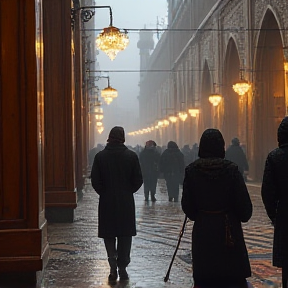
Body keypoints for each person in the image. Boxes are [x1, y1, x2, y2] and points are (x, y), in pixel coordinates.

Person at [181, 128, 253, 288]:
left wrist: (202, 215)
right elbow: (245, 211)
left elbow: (187, 206)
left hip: (203, 233)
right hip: (229, 234)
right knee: (231, 278)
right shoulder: (232, 170)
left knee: (206, 279)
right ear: (222, 146)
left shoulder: (192, 171)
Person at [90, 126, 143, 282]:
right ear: (123, 138)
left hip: (106, 202)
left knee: (109, 234)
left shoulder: (100, 157)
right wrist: (127, 191)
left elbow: (95, 181)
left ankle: (112, 266)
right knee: (125, 235)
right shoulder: (131, 156)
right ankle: (123, 266)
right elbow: (138, 180)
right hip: (126, 202)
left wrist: (104, 193)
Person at [261, 116, 288, 288]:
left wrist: (274, 215)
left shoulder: (274, 157)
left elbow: (267, 192)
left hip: (285, 214)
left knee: (287, 257)